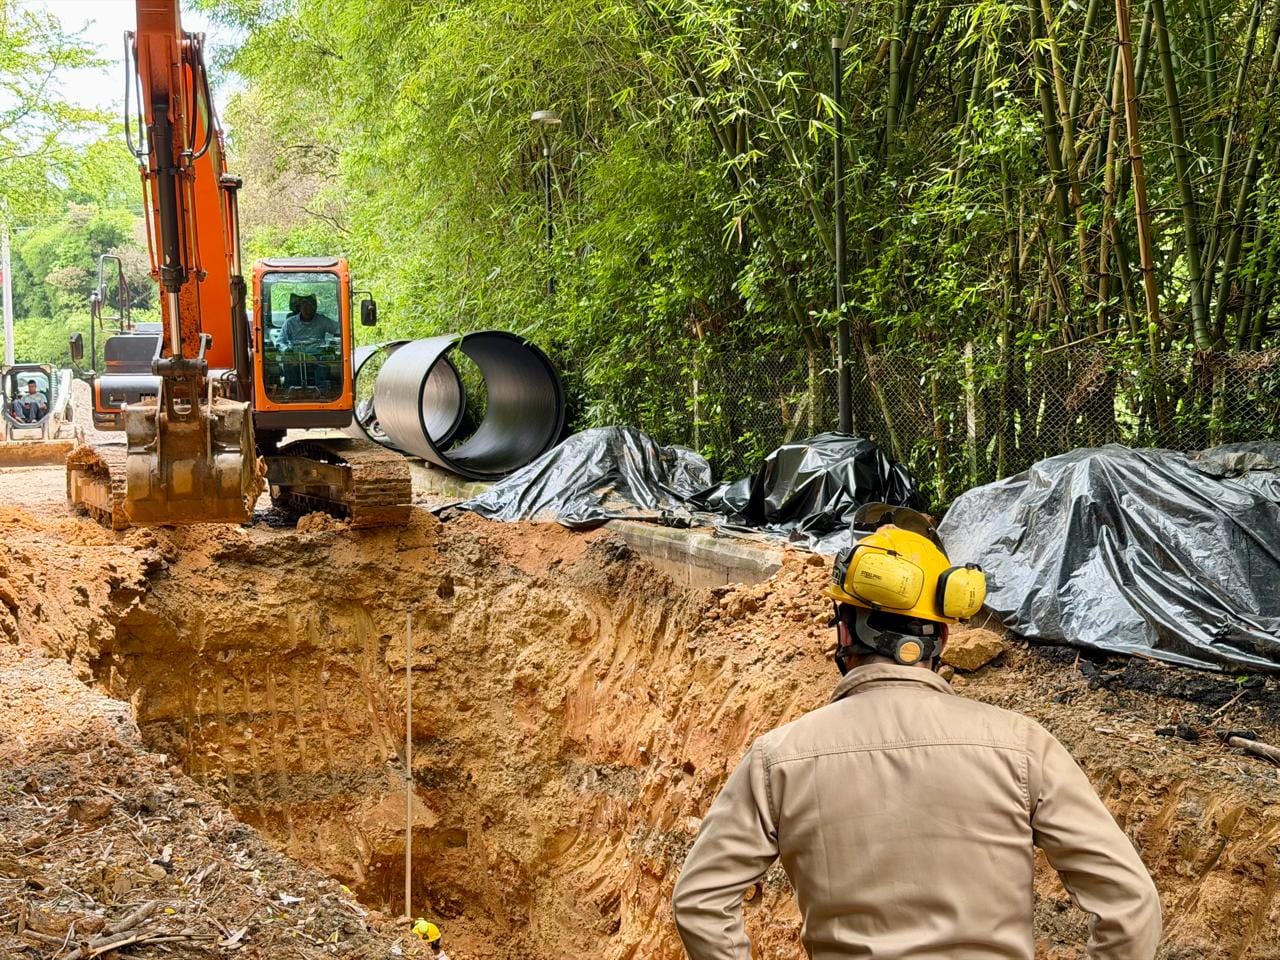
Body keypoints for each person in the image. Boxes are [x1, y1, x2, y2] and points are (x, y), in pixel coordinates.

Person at [672, 503, 1162, 960]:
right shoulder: (1023, 747)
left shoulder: (778, 759)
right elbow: (1130, 905)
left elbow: (700, 902)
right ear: (943, 636)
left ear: (845, 630)